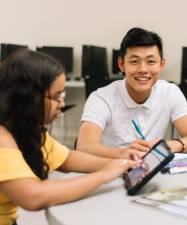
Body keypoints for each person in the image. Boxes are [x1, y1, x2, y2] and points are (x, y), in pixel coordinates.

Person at [0, 49, 144, 225]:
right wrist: (104, 175)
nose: (62, 103)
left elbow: (67, 159)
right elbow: (33, 196)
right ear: (26, 97)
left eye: (63, 95)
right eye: (56, 97)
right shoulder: (2, 137)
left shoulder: (26, 130)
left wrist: (120, 163)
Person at [77, 27, 187, 157]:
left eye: (151, 61)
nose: (143, 69)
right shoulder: (101, 99)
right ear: (122, 64)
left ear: (161, 64)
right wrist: (126, 153)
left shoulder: (170, 92)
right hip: (111, 171)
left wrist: (168, 146)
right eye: (134, 61)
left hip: (151, 172)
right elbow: (83, 148)